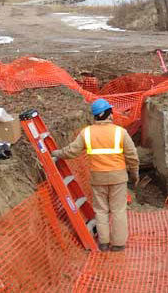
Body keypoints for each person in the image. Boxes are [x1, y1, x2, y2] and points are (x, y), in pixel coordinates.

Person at [51, 98, 139, 252]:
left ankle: (103, 243)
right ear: (108, 114)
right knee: (118, 210)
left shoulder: (87, 133)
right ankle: (118, 244)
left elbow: (72, 151)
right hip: (118, 178)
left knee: (101, 210)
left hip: (98, 178)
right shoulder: (120, 132)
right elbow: (132, 157)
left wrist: (56, 153)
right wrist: (134, 175)